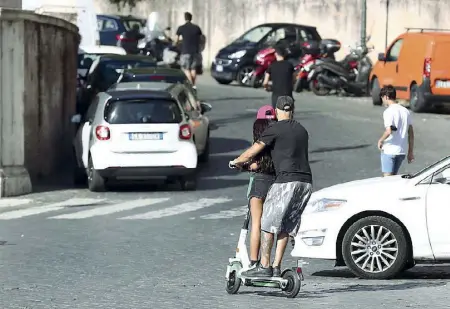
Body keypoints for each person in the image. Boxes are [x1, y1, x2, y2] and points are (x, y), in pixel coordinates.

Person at [230, 96, 313, 277]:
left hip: (286, 181)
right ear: (293, 110)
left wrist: (237, 161)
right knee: (286, 226)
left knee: (267, 223)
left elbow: (254, 150)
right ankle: (276, 266)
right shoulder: (302, 130)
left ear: (276, 111)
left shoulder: (274, 129)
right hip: (305, 182)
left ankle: (265, 266)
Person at [246, 105, 277, 267]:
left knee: (256, 223)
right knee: (270, 224)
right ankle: (267, 263)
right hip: (276, 182)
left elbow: (254, 164)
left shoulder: (259, 140)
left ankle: (253, 261)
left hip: (259, 183)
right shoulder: (279, 136)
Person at [377, 85, 414, 176]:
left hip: (390, 150)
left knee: (387, 181)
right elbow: (411, 133)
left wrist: (380, 140)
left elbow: (389, 131)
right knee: (393, 180)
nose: (383, 101)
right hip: (401, 151)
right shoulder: (405, 111)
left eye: (382, 98)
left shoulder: (388, 111)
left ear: (386, 96)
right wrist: (410, 152)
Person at [175, 12, 204, 88]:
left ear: (185, 18)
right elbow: (201, 39)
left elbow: (176, 40)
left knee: (186, 69)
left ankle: (191, 85)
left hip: (185, 51)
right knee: (193, 69)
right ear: (191, 18)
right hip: (195, 52)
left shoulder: (181, 28)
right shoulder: (197, 28)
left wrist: (177, 45)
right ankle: (194, 85)